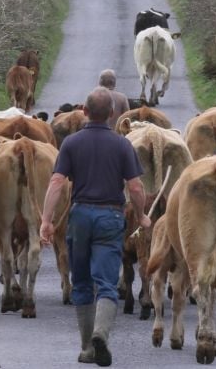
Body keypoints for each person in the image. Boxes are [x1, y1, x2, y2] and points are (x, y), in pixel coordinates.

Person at [40, 87, 149, 366]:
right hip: (110, 217)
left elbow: (55, 183)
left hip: (79, 217)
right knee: (107, 283)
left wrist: (47, 221)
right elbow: (135, 187)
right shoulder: (122, 144)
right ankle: (101, 332)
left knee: (82, 283)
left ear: (85, 112)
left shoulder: (71, 144)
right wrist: (142, 215)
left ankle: (87, 347)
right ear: (112, 114)